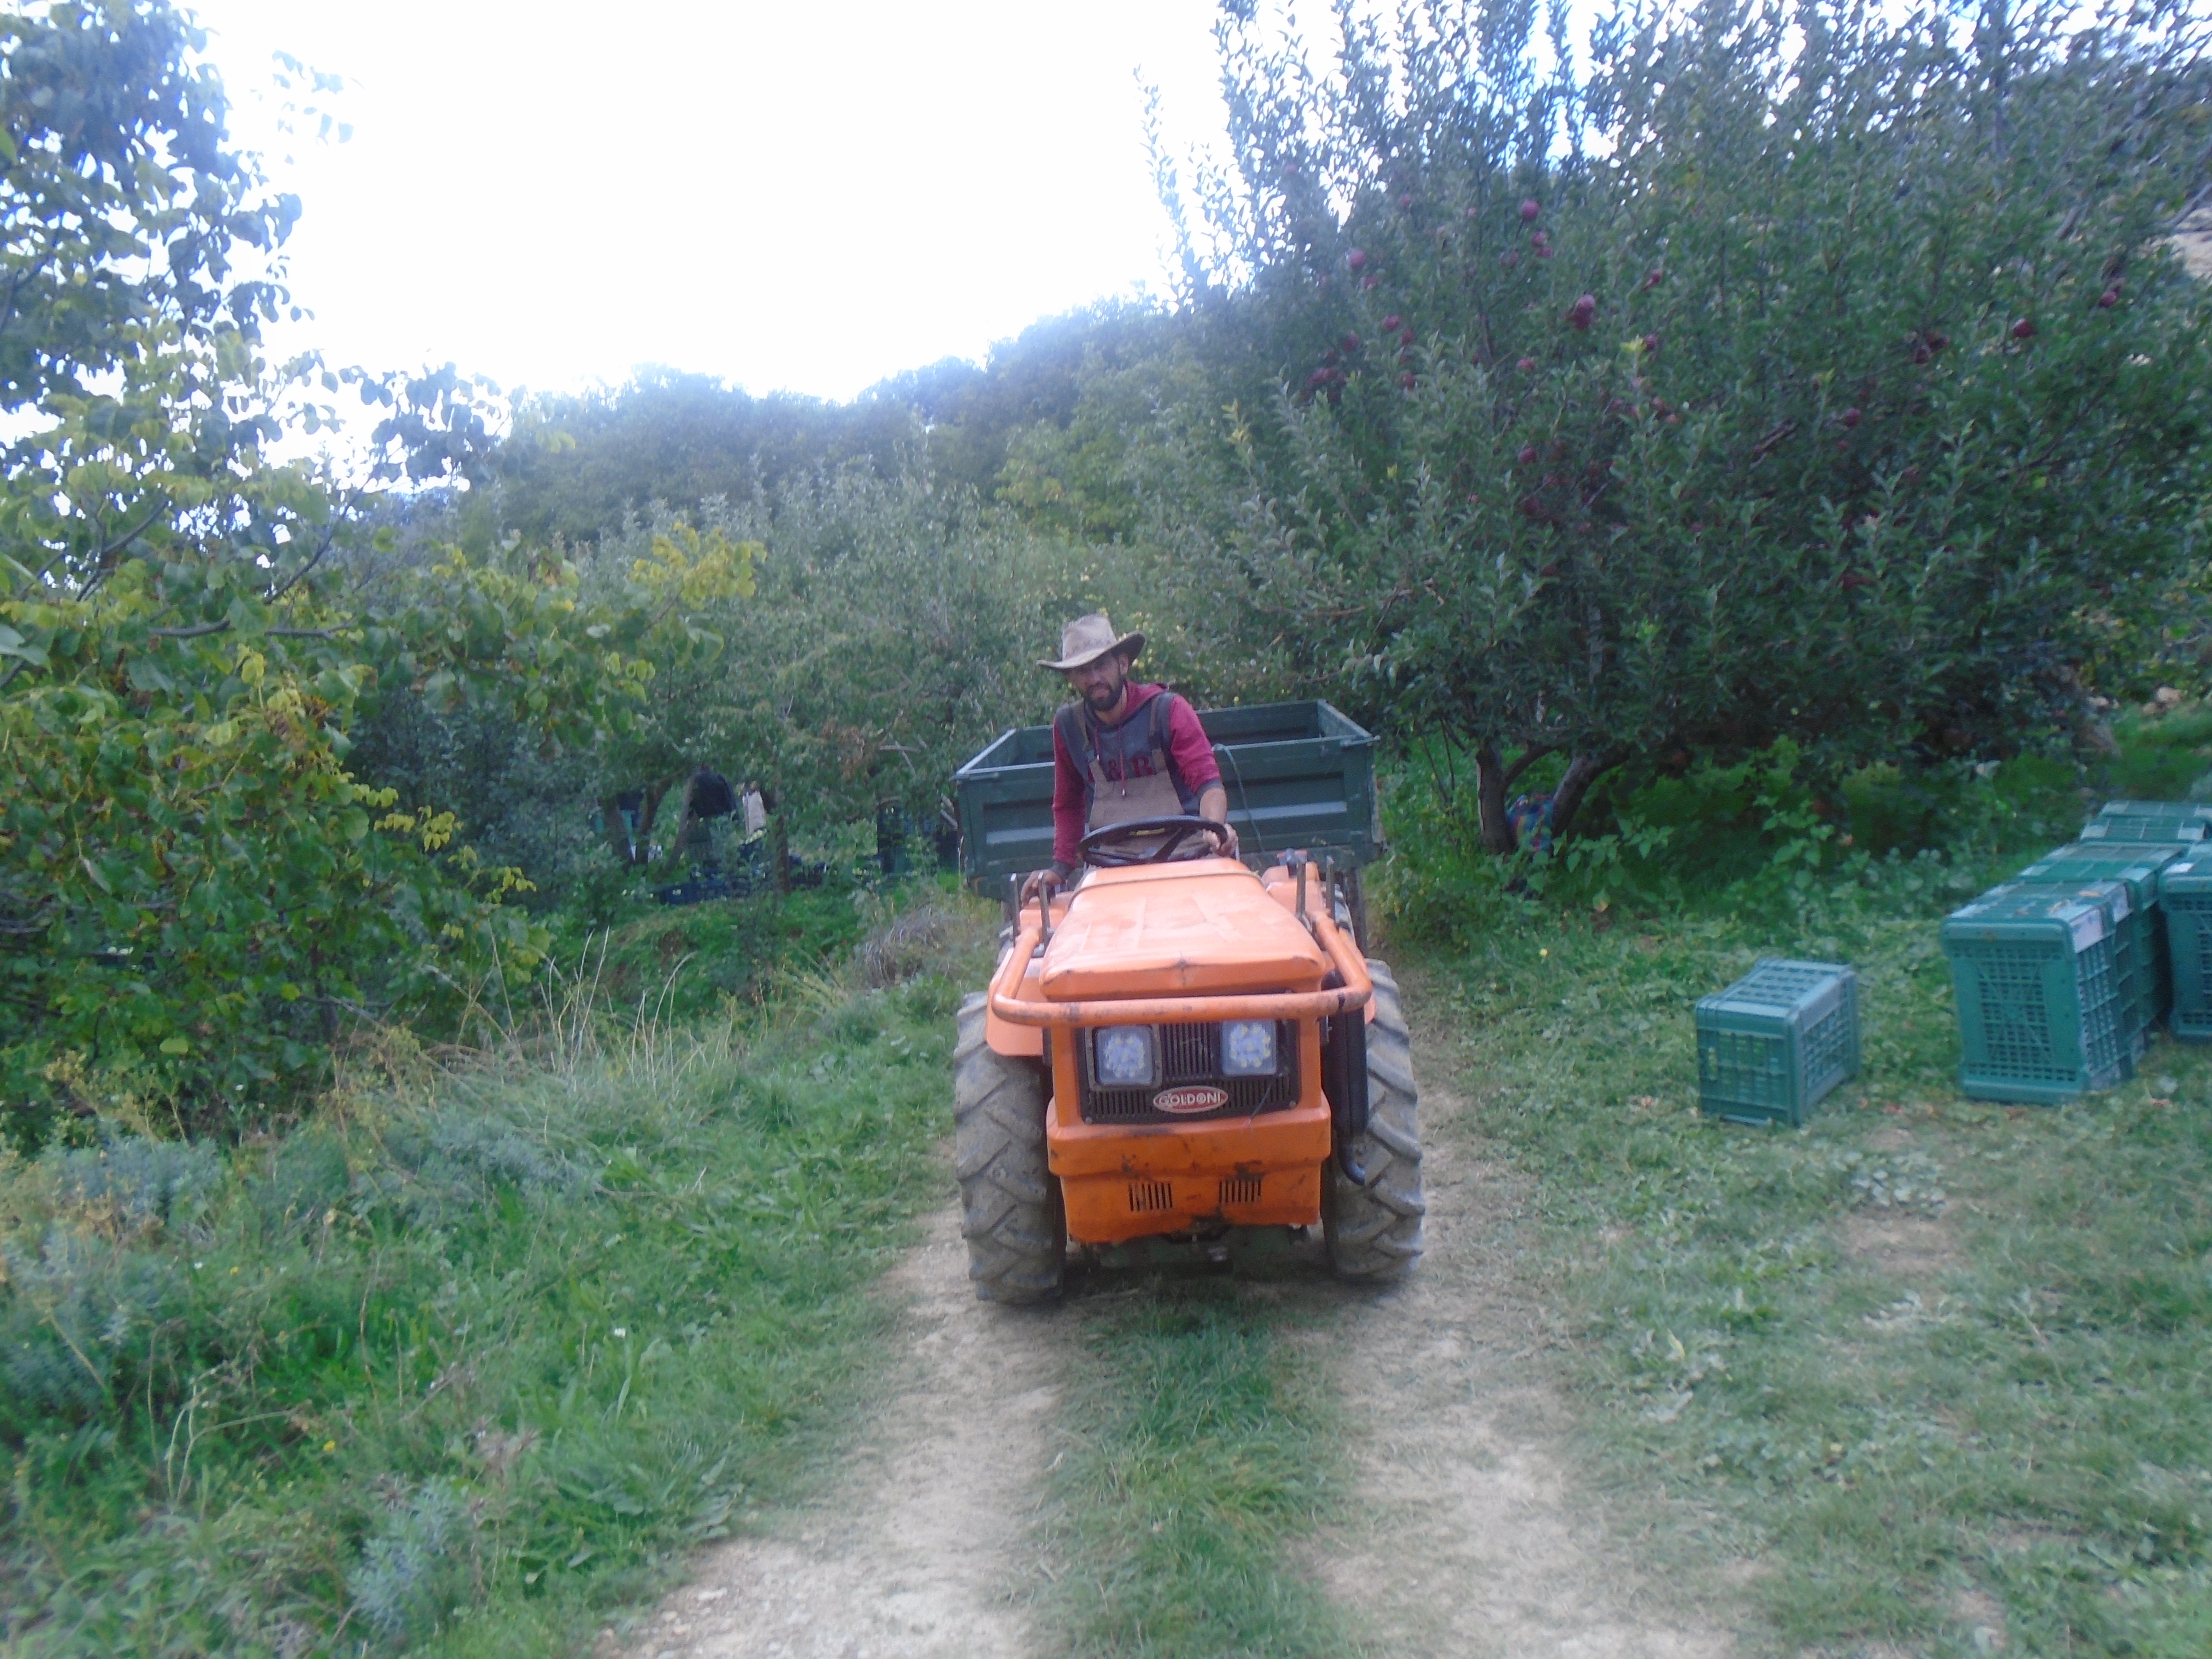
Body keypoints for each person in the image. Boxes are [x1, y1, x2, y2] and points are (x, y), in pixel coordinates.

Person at [1021, 613, 1237, 905]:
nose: (1095, 679)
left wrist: (1215, 828)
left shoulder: (1168, 710)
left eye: (1102, 666)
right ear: (1071, 678)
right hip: (1110, 864)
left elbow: (1208, 784)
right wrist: (1060, 869)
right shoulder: (1069, 727)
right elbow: (1068, 805)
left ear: (1123, 663)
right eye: (1083, 671)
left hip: (1187, 856)